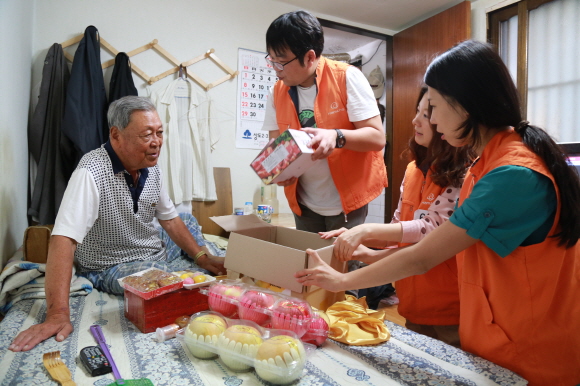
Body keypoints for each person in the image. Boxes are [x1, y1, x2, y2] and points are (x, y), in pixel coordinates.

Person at [295, 40, 580, 385]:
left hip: (529, 349)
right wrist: (369, 255)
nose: (427, 118)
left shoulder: (512, 175)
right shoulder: (486, 162)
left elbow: (424, 256)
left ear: (464, 105)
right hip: (495, 336)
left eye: (432, 105)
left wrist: (343, 281)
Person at [9, 96, 225, 352]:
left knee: (187, 219)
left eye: (159, 132)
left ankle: (198, 261)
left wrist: (203, 257)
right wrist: (57, 314)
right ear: (116, 135)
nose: (156, 142)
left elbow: (169, 218)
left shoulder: (150, 165)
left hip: (151, 247)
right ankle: (175, 271)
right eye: (146, 135)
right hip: (111, 263)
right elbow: (63, 240)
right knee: (160, 279)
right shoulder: (91, 171)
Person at [320, 86, 475, 346]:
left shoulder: (466, 173)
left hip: (451, 307)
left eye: (427, 114)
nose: (417, 120)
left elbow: (431, 228)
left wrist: (366, 231)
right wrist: (362, 245)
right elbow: (399, 231)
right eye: (418, 112)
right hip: (413, 302)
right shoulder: (414, 169)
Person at [262, 10, 387, 234]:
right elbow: (276, 145)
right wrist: (278, 170)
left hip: (348, 201)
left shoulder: (347, 77)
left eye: (281, 62)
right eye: (271, 60)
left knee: (343, 266)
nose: (275, 69)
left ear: (310, 57)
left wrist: (336, 136)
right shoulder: (276, 92)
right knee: (308, 264)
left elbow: (377, 138)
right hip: (304, 203)